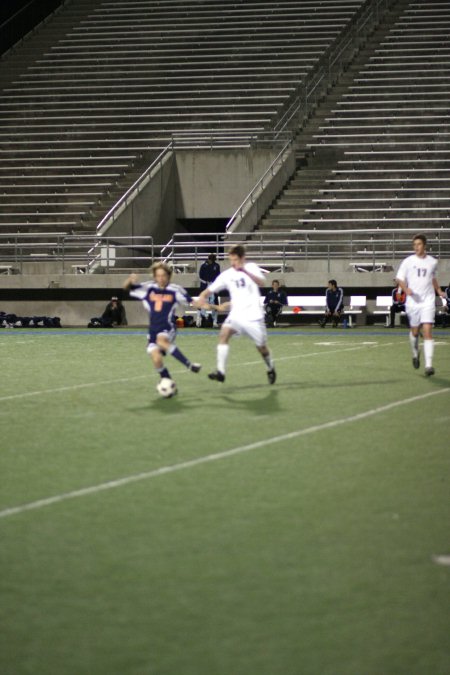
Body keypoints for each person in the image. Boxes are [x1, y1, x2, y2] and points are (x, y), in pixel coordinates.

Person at [197, 244, 276, 384]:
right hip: (236, 315)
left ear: (242, 258)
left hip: (253, 316)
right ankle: (220, 371)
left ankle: (270, 367)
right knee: (224, 334)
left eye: (236, 260)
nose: (233, 263)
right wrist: (202, 296)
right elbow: (212, 288)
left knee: (262, 348)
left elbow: (262, 282)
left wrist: (245, 271)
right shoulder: (227, 274)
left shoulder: (251, 267)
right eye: (231, 260)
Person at [123, 263, 202, 389]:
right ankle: (168, 382)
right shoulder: (149, 288)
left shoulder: (175, 289)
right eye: (158, 275)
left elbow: (193, 302)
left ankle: (189, 365)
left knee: (162, 340)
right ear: (154, 276)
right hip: (153, 331)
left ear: (169, 276)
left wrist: (213, 307)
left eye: (164, 275)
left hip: (168, 327)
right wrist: (130, 280)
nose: (161, 278)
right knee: (157, 359)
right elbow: (128, 288)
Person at [396, 233, 446, 376]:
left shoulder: (432, 262)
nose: (416, 247)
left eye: (419, 244)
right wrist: (406, 289)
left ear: (424, 245)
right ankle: (415, 353)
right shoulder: (408, 261)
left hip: (428, 301)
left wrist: (438, 290)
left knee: (428, 331)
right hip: (413, 302)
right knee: (415, 332)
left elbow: (433, 278)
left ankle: (429, 365)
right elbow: (400, 279)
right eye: (414, 245)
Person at [196, 253, 221, 328]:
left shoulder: (216, 266)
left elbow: (218, 276)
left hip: (213, 286)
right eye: (210, 260)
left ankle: (215, 321)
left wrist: (214, 283)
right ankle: (199, 320)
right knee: (201, 302)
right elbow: (200, 276)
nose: (211, 261)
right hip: (204, 286)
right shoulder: (203, 265)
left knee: (214, 302)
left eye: (213, 260)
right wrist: (205, 282)